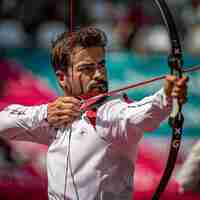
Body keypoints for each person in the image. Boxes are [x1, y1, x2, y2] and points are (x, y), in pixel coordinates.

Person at [0, 27, 188, 200]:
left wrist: (166, 96)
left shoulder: (113, 111)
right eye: (87, 69)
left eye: (101, 65)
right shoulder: (56, 115)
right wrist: (46, 113)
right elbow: (3, 123)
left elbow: (143, 113)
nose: (99, 74)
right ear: (62, 78)